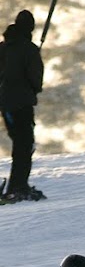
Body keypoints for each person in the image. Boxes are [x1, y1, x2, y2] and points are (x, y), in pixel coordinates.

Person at [0, 10, 46, 202]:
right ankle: (18, 187)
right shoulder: (29, 49)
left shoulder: (2, 48)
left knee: (20, 143)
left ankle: (17, 186)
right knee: (24, 145)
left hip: (5, 103)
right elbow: (36, 80)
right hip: (21, 103)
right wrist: (32, 90)